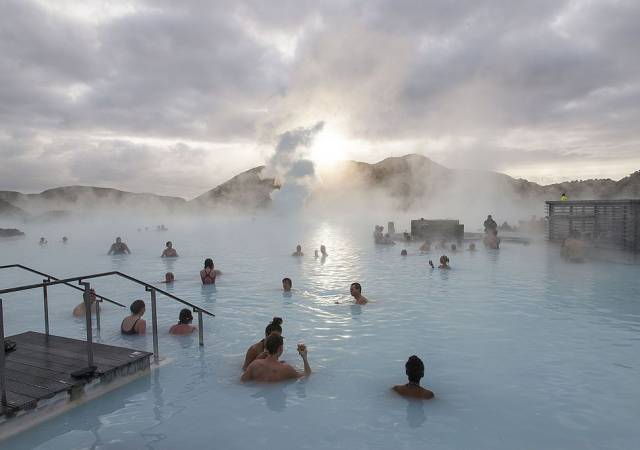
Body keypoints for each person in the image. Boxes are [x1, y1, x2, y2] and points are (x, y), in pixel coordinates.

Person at [241, 334, 311, 382]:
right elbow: (307, 375)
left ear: (266, 348)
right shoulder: (286, 369)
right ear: (280, 348)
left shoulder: (254, 365)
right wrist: (304, 358)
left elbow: (242, 381)